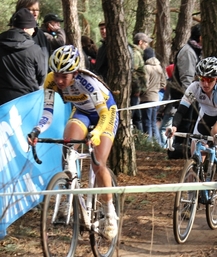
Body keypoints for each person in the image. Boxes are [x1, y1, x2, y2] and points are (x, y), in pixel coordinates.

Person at [27, 45, 119, 240]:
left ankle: (109, 212)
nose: (60, 80)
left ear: (75, 73)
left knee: (98, 163)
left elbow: (103, 114)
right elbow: (47, 113)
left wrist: (97, 133)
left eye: (65, 76)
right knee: (67, 146)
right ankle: (67, 194)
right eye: (57, 74)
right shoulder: (51, 81)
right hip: (83, 112)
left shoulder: (87, 82)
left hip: (105, 114)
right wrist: (37, 130)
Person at [167, 57, 217, 180]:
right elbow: (181, 111)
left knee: (216, 132)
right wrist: (174, 126)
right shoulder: (194, 87)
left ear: (216, 79)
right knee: (195, 154)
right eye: (202, 79)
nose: (205, 83)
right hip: (206, 116)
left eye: (209, 80)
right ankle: (194, 192)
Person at [0, 8, 46, 105]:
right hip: (27, 103)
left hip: (2, 103)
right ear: (25, 28)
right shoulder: (35, 50)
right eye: (33, 27)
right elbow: (41, 77)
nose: (34, 31)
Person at [170, 23, 202, 157]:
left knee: (190, 126)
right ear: (200, 37)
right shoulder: (188, 52)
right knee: (183, 127)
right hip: (186, 96)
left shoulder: (197, 51)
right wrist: (193, 97)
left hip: (193, 97)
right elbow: (187, 78)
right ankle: (176, 153)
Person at [15, 0, 51, 72]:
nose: (35, 13)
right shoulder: (10, 37)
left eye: (37, 10)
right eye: (30, 10)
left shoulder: (41, 35)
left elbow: (48, 63)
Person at [140, 47, 166, 144]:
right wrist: (156, 88)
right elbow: (163, 83)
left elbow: (145, 84)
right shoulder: (159, 67)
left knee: (146, 122)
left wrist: (142, 92)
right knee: (153, 122)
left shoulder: (146, 68)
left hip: (146, 98)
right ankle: (158, 143)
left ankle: (148, 143)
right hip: (156, 98)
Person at [129, 32, 151, 131]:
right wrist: (137, 89)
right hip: (134, 92)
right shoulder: (136, 53)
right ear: (140, 42)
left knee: (137, 118)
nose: (147, 45)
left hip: (136, 92)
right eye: (146, 42)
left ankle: (139, 138)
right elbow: (133, 73)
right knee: (134, 116)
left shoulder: (137, 53)